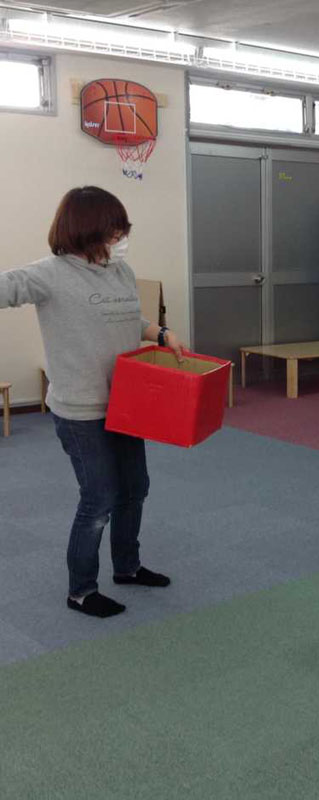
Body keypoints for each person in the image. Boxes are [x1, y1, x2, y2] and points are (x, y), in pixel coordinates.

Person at [0, 186, 184, 618]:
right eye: (114, 230)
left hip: (126, 404)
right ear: (87, 229)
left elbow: (129, 317)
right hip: (80, 411)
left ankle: (127, 567)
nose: (121, 238)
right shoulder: (49, 274)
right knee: (98, 498)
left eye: (122, 230)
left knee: (135, 489)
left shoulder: (120, 272)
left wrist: (160, 333)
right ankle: (81, 591)